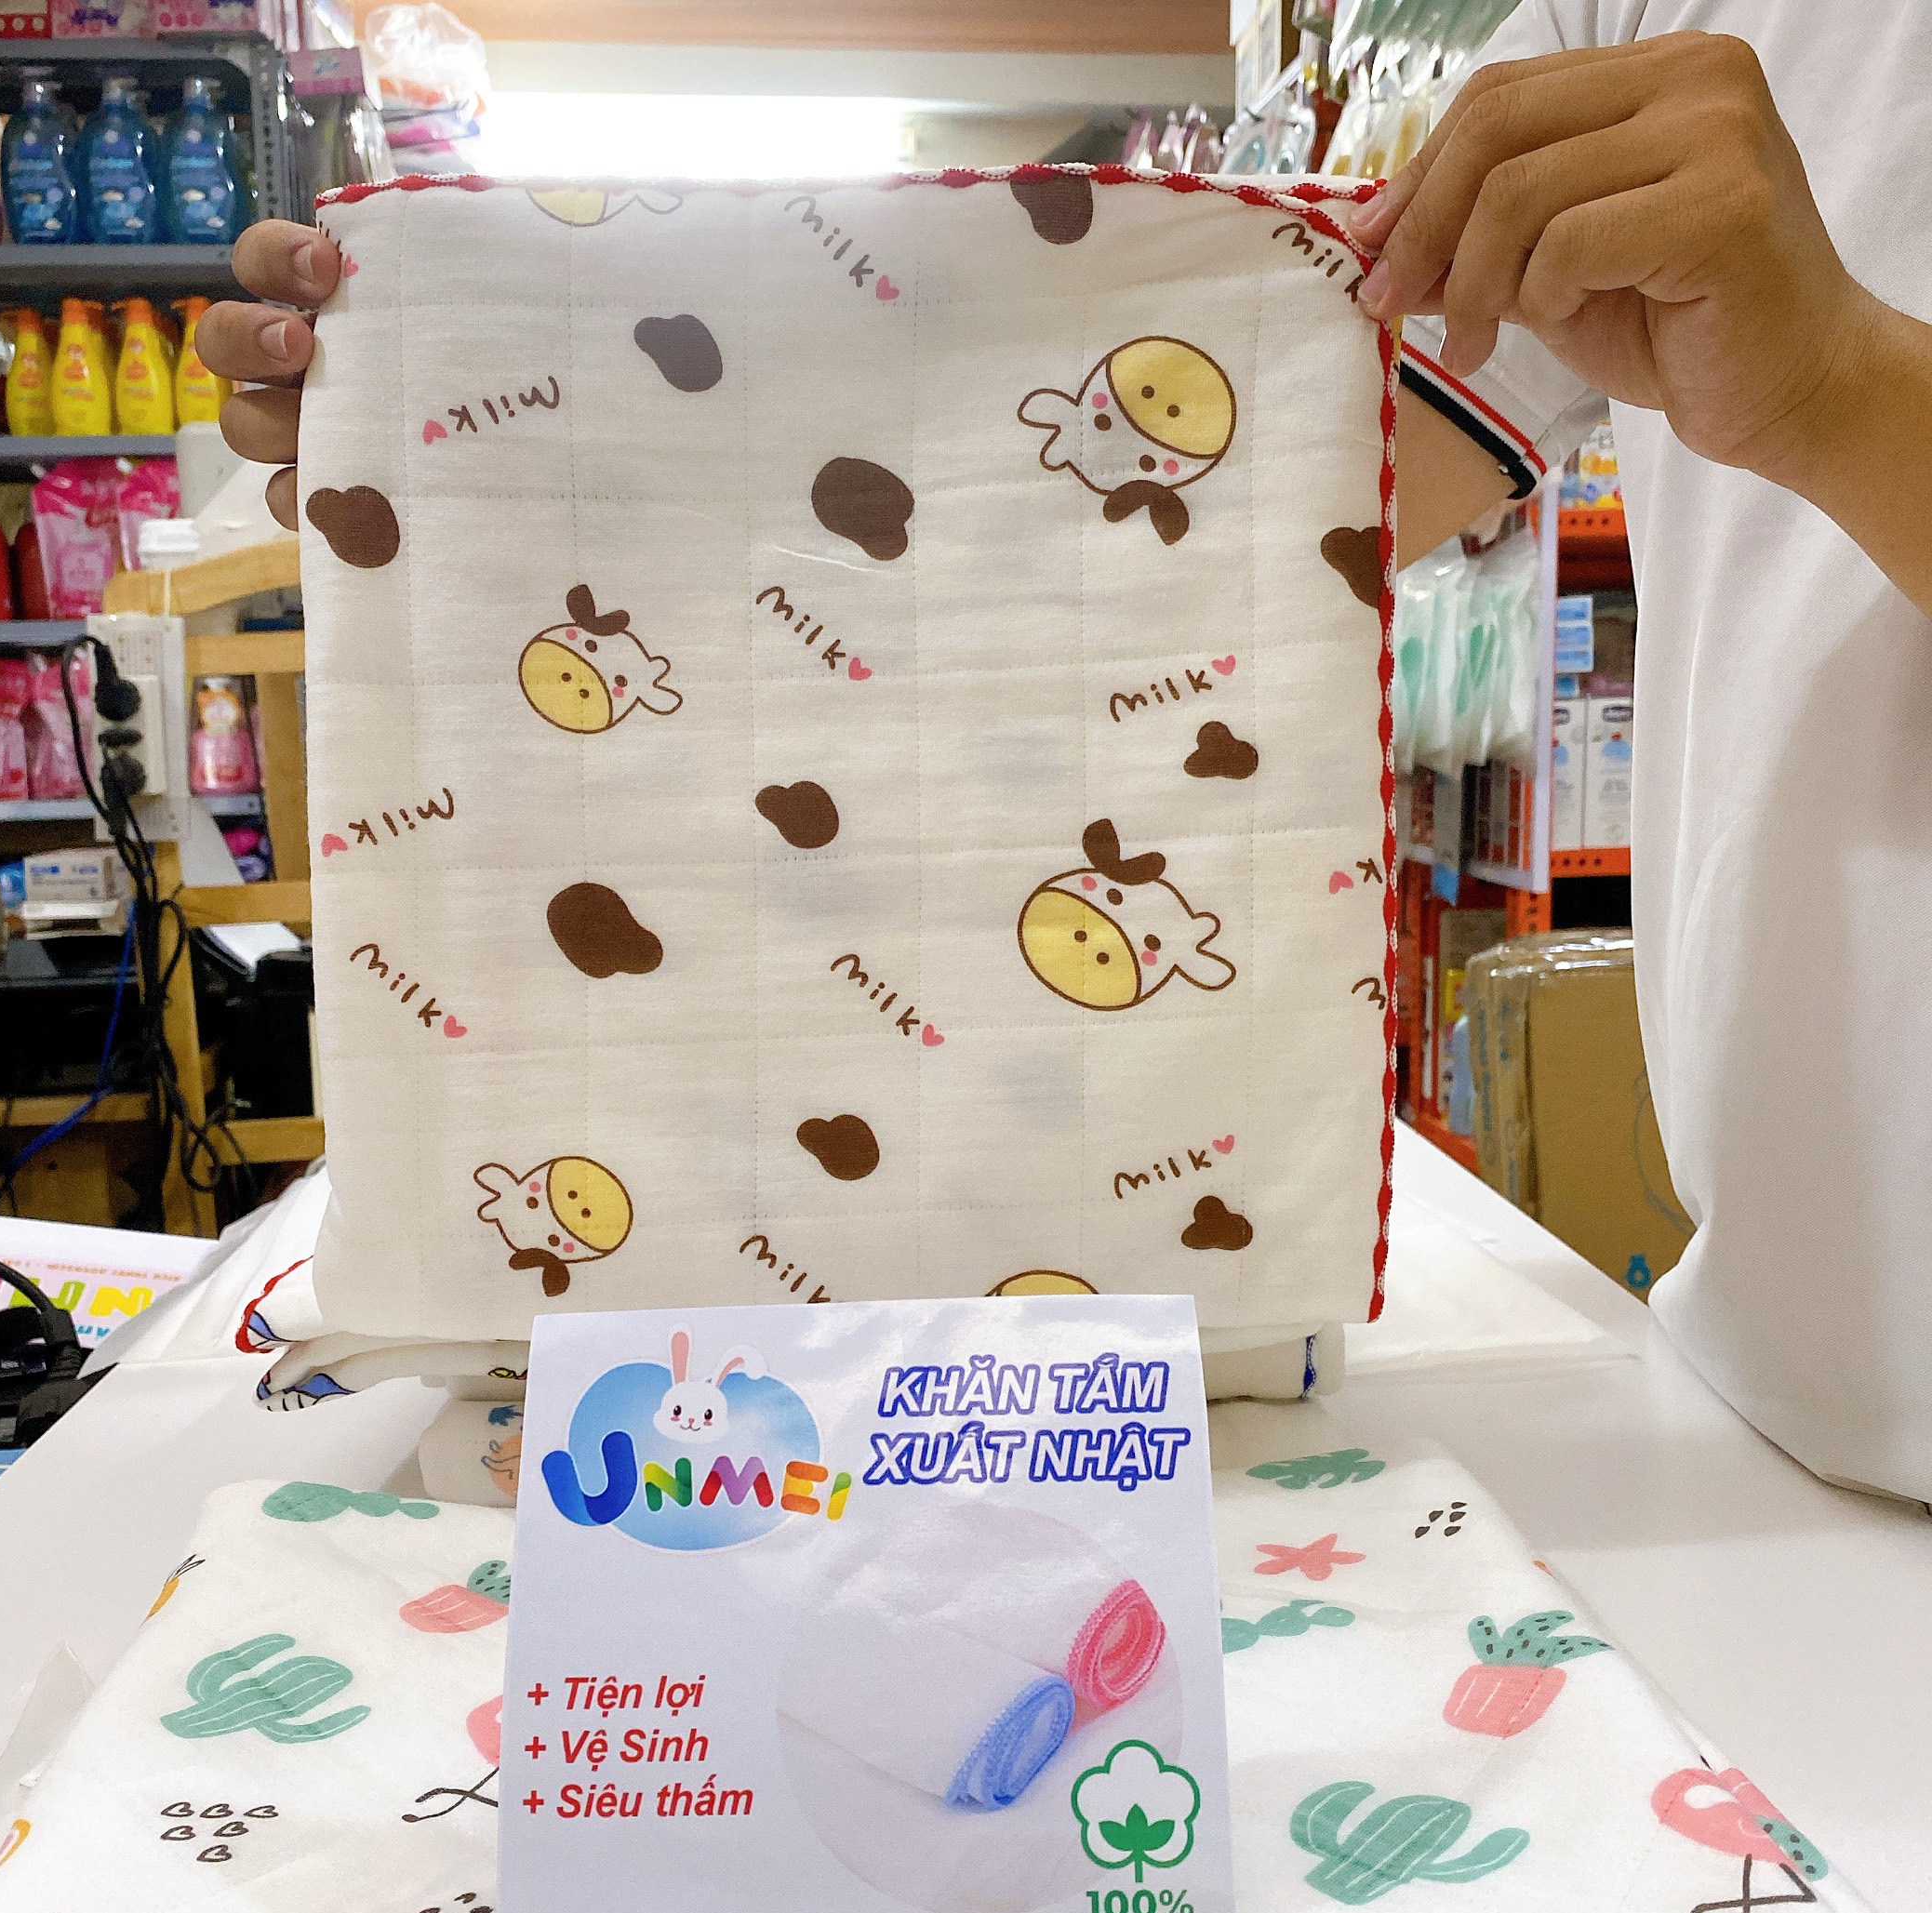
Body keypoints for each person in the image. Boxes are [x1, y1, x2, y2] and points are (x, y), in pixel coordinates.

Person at [197, 12, 1932, 1500]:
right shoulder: (1626, 28)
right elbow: (1273, 464)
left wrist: (1840, 382)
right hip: (1773, 1408)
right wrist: (471, 430)